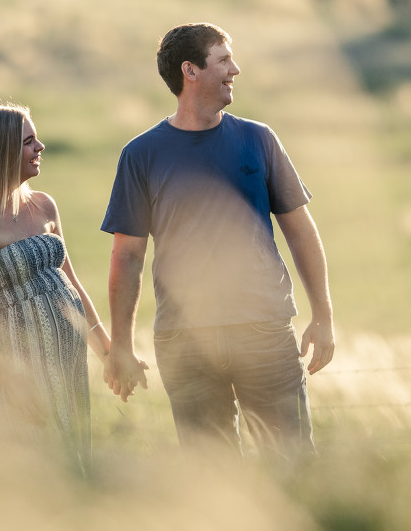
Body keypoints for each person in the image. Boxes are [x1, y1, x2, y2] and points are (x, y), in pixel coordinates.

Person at [101, 23, 335, 455]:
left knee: (292, 462)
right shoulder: (141, 155)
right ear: (190, 71)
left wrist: (323, 316)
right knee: (211, 473)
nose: (235, 69)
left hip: (263, 331)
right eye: (224, 60)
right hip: (185, 341)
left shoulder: (258, 139)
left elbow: (301, 232)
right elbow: (127, 258)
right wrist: (121, 346)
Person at [0, 104, 110, 468]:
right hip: (18, 379)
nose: (40, 147)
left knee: (74, 467)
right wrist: (13, 382)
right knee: (36, 472)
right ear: (1, 151)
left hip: (66, 367)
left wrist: (107, 351)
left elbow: (70, 282)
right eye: (28, 141)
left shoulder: (44, 206)